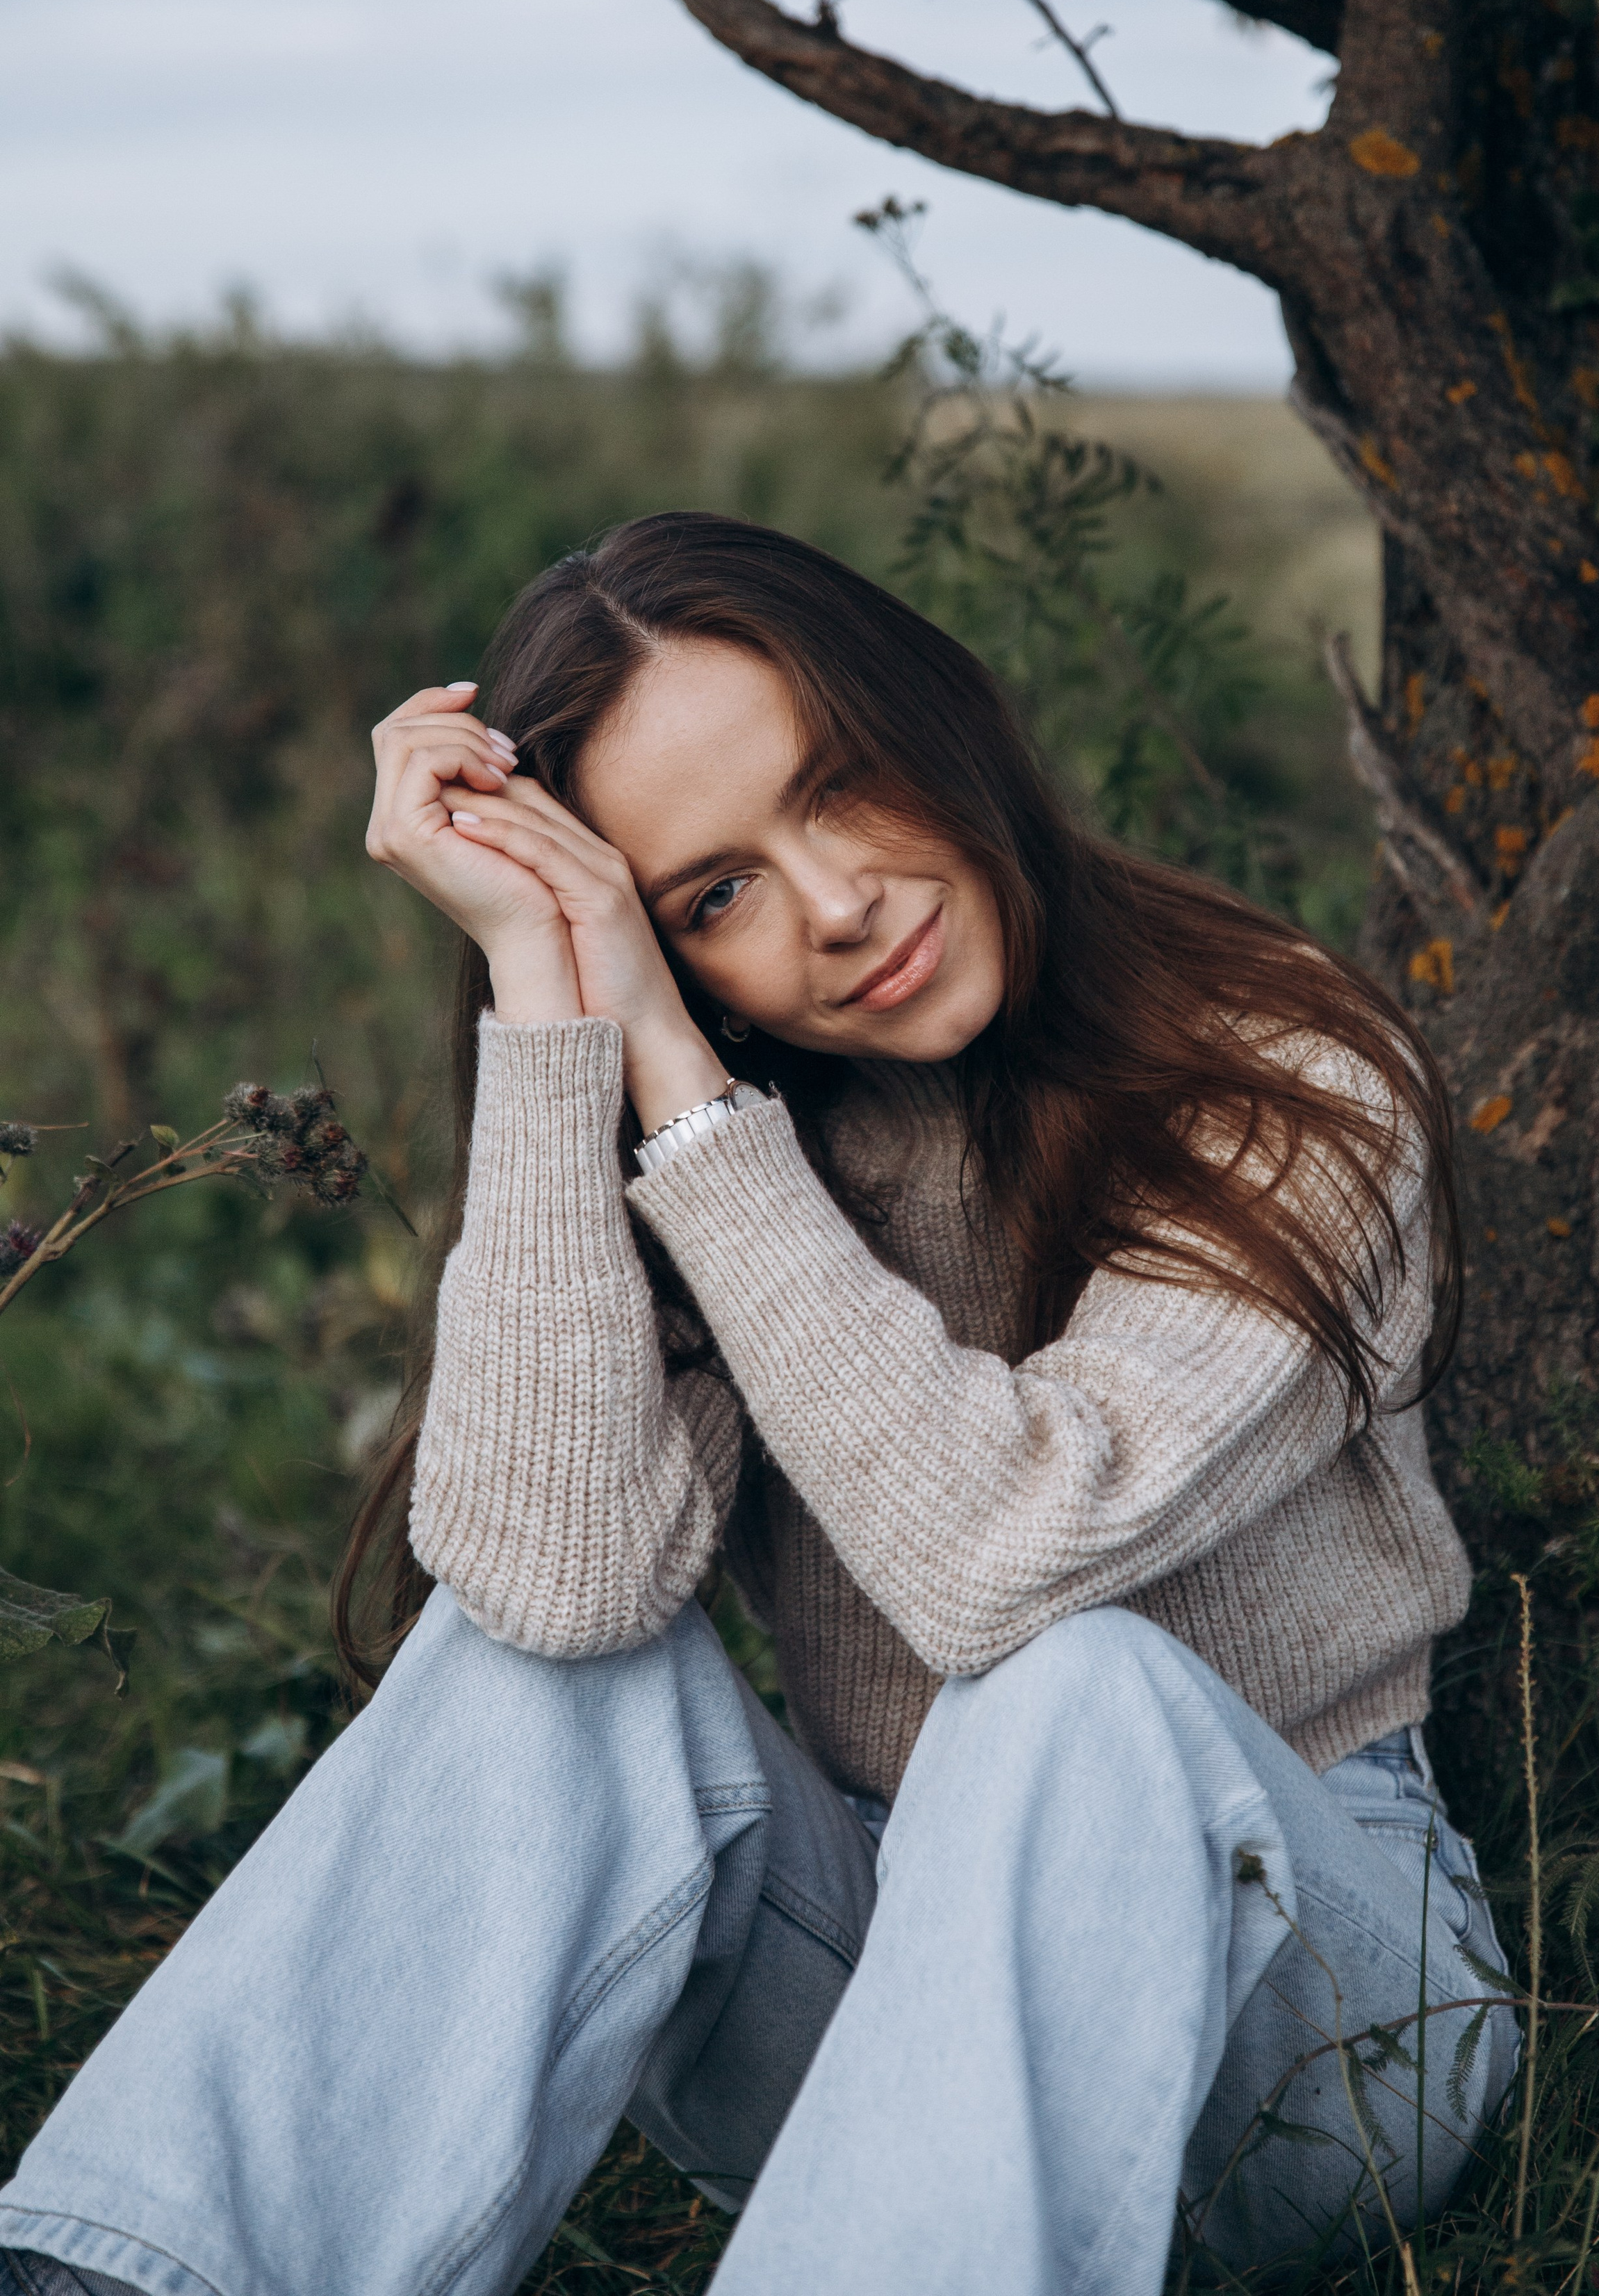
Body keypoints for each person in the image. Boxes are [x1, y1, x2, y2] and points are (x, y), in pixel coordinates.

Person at [1, 513, 1515, 2296]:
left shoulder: (1284, 1074)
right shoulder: (750, 1141)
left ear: (935, 724)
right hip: (878, 1994)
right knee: (545, 1659)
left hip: (1319, 2022)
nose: (836, 907)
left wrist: (699, 1124)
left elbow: (994, 1569)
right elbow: (554, 1590)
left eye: (841, 788)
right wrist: (568, 1011)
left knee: (1073, 1685)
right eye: (709, 898)